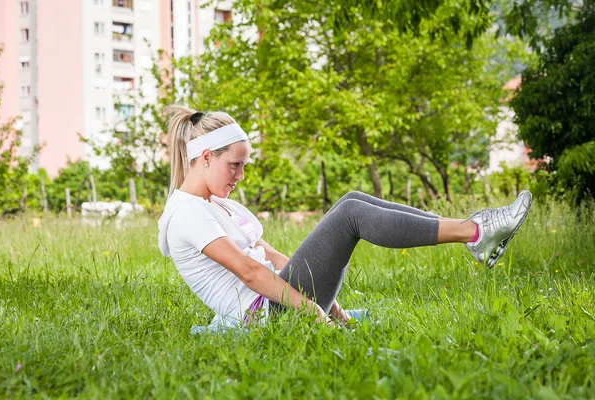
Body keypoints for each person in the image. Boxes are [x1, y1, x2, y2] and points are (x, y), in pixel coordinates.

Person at [157, 106, 533, 328]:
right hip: (264, 315)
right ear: (205, 157)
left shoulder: (213, 205)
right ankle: (476, 231)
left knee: (351, 199)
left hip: (275, 298)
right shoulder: (187, 214)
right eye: (234, 165)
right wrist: (311, 310)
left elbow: (270, 257)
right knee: (352, 213)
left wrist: (327, 303)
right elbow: (250, 272)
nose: (240, 176)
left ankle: (474, 231)